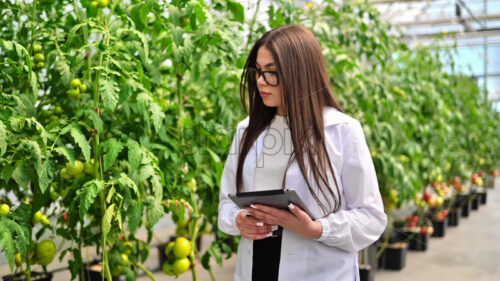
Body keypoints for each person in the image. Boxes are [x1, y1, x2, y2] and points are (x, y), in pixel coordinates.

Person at [218, 25, 387, 281]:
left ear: (300, 73)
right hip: (255, 271)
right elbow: (225, 205)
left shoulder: (342, 130)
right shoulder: (247, 130)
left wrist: (318, 229)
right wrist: (239, 220)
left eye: (272, 72)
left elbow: (371, 217)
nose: (261, 81)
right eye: (258, 72)